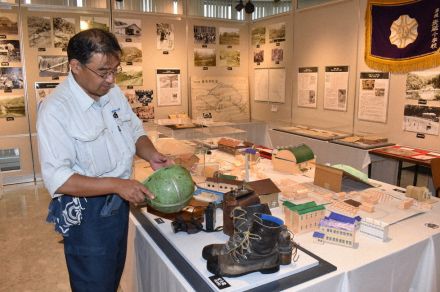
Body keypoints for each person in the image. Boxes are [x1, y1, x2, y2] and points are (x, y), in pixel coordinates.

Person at [37, 28, 172, 292]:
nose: (111, 79)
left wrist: (151, 154)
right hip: (87, 216)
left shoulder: (111, 93)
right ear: (75, 66)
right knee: (93, 284)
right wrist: (117, 185)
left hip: (117, 205)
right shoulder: (56, 110)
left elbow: (135, 131)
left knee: (111, 277)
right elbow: (59, 178)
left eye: (115, 70)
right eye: (103, 72)